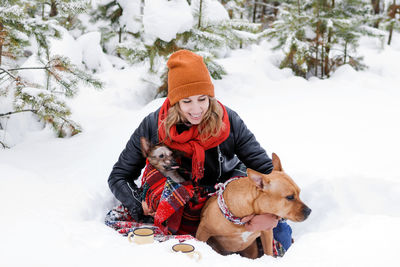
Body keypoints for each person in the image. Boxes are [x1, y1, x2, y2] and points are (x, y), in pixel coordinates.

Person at [107, 50, 292, 255]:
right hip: (180, 205)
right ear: (175, 100)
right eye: (187, 101)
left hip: (226, 203)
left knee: (282, 237)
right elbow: (119, 176)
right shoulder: (153, 125)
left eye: (202, 99)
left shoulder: (229, 121)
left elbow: (267, 171)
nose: (196, 109)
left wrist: (270, 215)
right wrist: (136, 204)